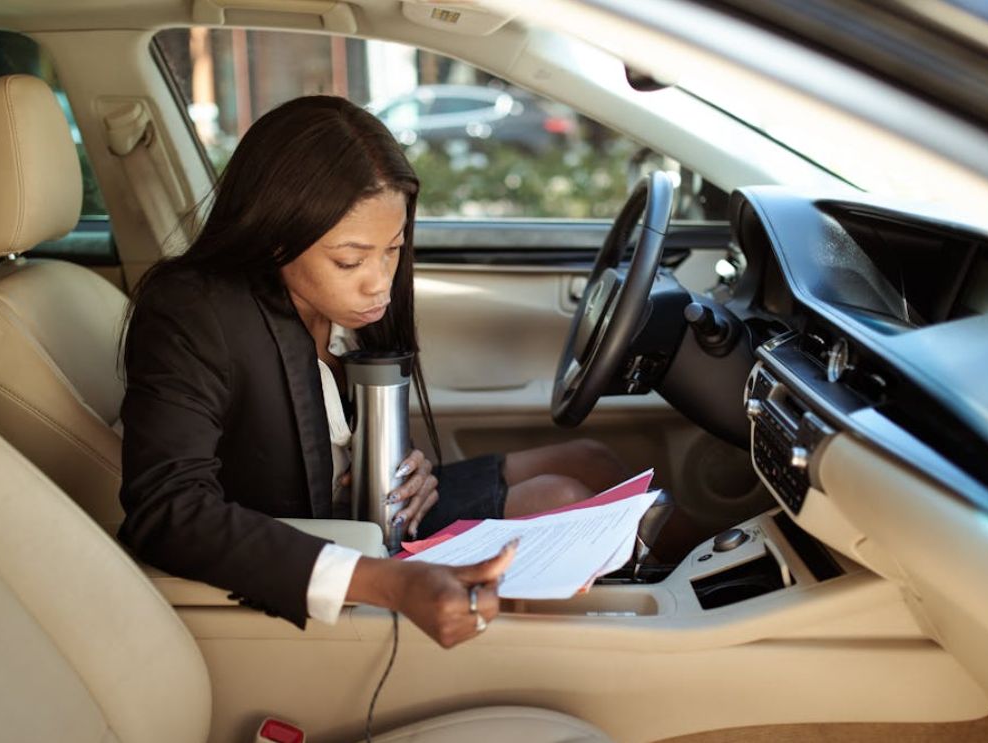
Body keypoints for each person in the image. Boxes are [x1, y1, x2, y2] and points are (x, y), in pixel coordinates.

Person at [118, 95, 629, 648]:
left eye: (394, 250)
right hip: (322, 548)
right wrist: (390, 583)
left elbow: (339, 438)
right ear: (274, 235)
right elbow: (167, 511)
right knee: (560, 495)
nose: (380, 282)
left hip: (379, 515)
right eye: (350, 260)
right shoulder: (193, 311)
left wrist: (414, 471)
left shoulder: (345, 311)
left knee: (592, 461)